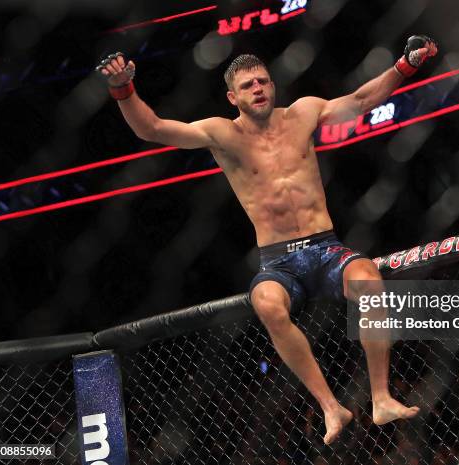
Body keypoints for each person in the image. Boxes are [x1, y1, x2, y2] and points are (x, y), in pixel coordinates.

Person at [96, 35, 438, 444]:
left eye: (262, 81)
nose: (257, 88)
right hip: (278, 261)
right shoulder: (222, 134)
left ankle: (381, 396)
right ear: (232, 97)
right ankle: (331, 407)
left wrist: (406, 65)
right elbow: (151, 129)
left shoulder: (303, 113)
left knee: (369, 282)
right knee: (267, 305)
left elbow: (362, 100)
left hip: (326, 246)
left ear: (272, 85)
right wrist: (123, 88)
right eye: (247, 86)